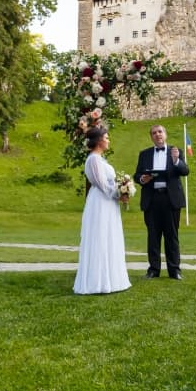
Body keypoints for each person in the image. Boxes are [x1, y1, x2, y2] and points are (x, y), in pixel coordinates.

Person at [74, 126, 131, 295]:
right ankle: (96, 282)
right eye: (106, 138)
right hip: (100, 202)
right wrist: (119, 193)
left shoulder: (101, 159)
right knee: (99, 237)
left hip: (108, 203)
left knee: (109, 237)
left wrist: (123, 188)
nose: (108, 140)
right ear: (99, 140)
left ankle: (112, 279)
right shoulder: (93, 160)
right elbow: (102, 184)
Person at [133, 124, 189, 280]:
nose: (157, 135)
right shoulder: (144, 154)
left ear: (165, 134)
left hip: (170, 199)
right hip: (152, 198)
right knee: (153, 235)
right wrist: (142, 178)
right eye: (154, 133)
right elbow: (136, 175)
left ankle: (174, 270)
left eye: (160, 132)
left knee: (172, 235)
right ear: (151, 137)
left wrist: (177, 160)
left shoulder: (175, 152)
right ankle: (153, 269)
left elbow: (185, 171)